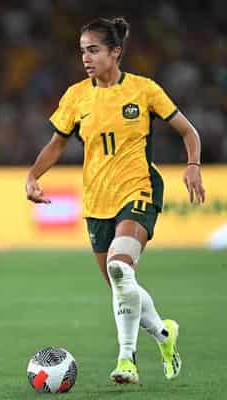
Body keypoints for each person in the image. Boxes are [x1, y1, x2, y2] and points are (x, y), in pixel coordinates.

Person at [25, 17, 205, 384]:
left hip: (139, 189)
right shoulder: (76, 96)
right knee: (122, 286)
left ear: (115, 52)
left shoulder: (144, 90)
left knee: (121, 268)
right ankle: (165, 334)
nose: (86, 58)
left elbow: (188, 130)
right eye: (82, 52)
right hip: (96, 200)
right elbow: (57, 143)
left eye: (93, 50)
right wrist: (33, 175)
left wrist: (193, 164)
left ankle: (127, 361)